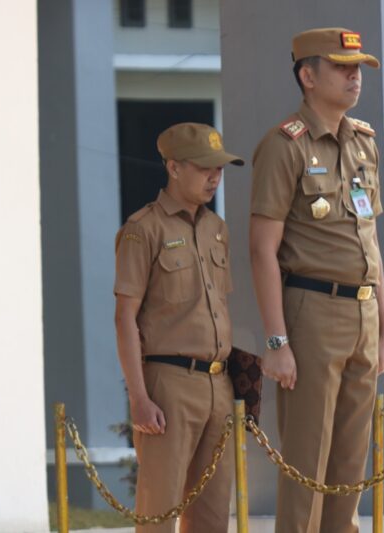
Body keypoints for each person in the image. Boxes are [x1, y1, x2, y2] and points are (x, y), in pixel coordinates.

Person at [249, 27, 384, 533]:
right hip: (311, 312)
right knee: (307, 458)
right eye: (341, 66)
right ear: (308, 76)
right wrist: (276, 340)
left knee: (352, 461)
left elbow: (369, 238)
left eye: (358, 67)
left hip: (363, 310)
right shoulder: (284, 144)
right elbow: (262, 250)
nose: (355, 76)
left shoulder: (364, 143)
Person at [114, 122, 244, 533]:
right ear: (173, 167)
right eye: (205, 168)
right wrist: (138, 397)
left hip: (218, 385)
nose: (214, 177)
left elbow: (219, 309)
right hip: (168, 385)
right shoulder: (143, 229)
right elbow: (124, 318)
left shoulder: (217, 230)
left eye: (220, 169)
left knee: (211, 516)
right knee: (159, 513)